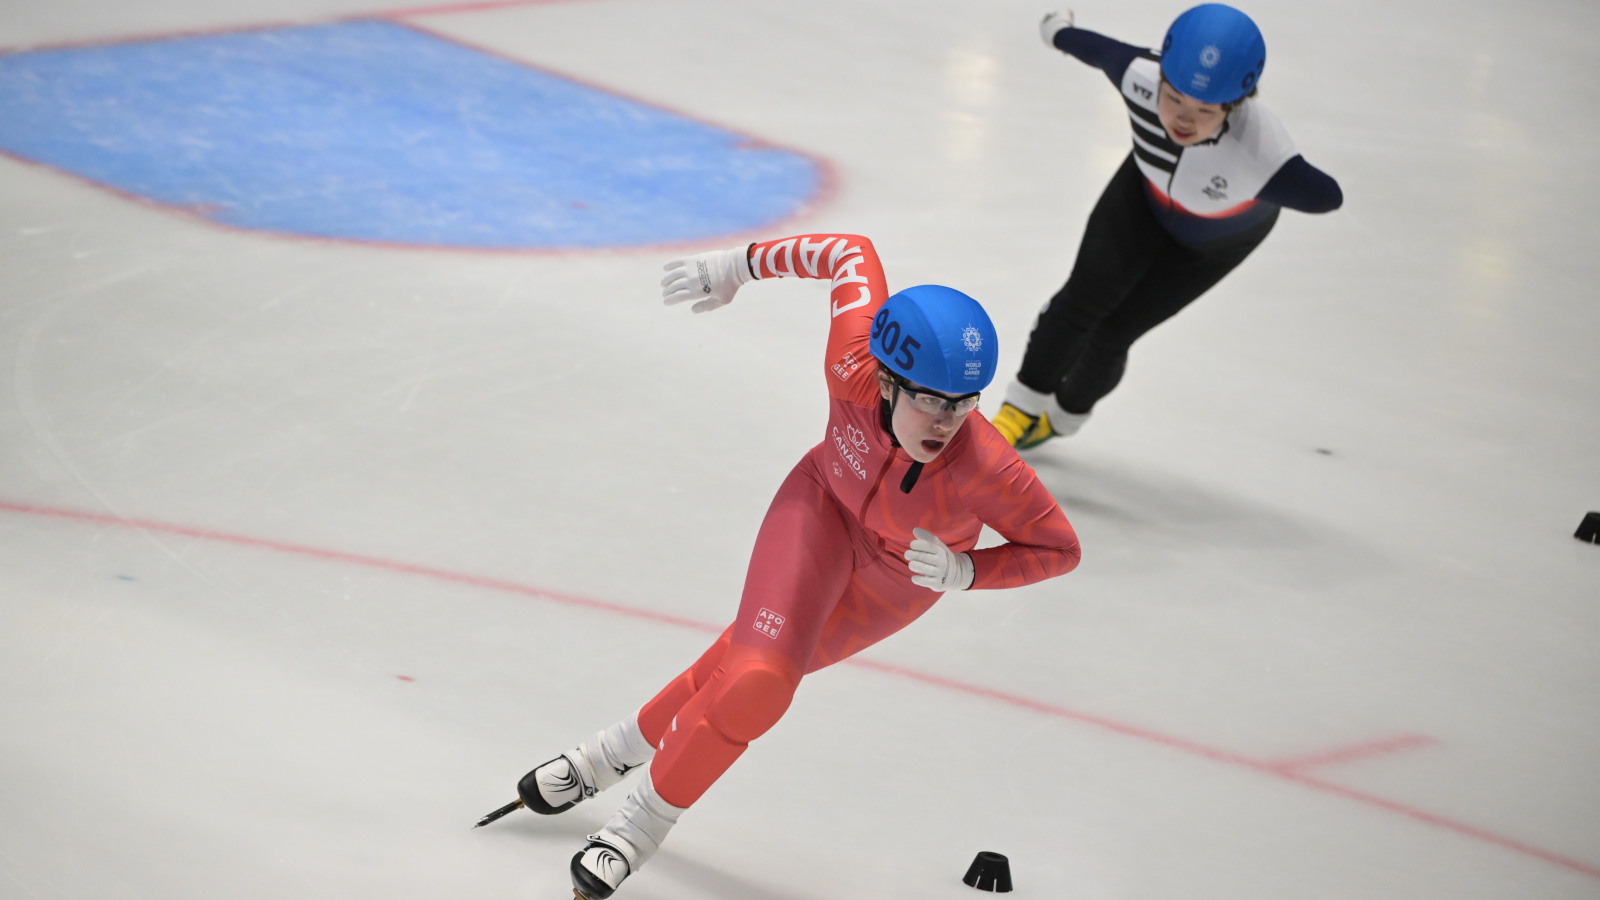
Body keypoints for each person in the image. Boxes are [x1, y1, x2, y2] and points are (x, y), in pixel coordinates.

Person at [505, 233, 1081, 899]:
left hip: (899, 581)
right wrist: (735, 267)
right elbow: (849, 253)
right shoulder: (850, 364)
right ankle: (635, 830)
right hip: (821, 511)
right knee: (757, 678)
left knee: (743, 664)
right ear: (887, 379)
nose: (948, 420)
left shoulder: (989, 469)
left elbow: (1059, 549)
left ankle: (611, 757)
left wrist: (967, 570)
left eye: (966, 401)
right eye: (930, 398)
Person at [992, 4, 1343, 449]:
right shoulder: (1138, 73)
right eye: (1173, 97)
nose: (1182, 118)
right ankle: (1014, 414)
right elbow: (1096, 49)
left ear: (1236, 105)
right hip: (1141, 196)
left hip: (1215, 243)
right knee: (1078, 302)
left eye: (1204, 110)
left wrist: (1268, 173)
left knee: (1114, 332)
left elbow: (1326, 197)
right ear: (1160, 76)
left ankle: (1063, 418)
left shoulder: (1261, 152)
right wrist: (1058, 31)